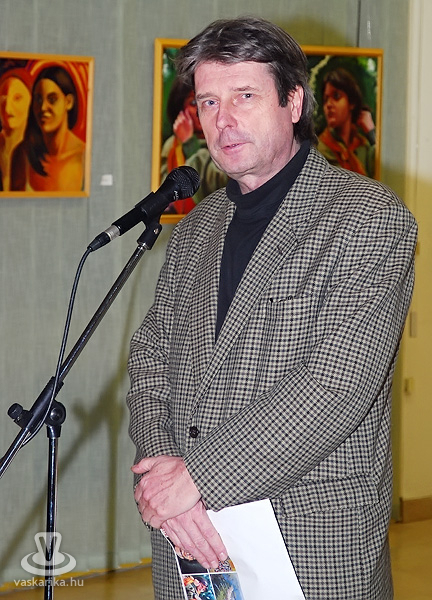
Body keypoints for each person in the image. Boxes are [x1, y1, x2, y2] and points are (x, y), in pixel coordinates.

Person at [127, 16, 417, 600]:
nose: (222, 120)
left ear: (293, 102)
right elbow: (150, 360)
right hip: (191, 538)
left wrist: (197, 478)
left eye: (244, 96)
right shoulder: (195, 229)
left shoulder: (367, 217)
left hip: (307, 541)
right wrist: (162, 471)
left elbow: (336, 387)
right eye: (208, 102)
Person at [11, 65, 85, 191]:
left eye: (52, 99)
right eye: (38, 99)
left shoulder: (84, 156)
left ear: (68, 102)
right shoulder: (23, 154)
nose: (43, 107)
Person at [161, 77, 227, 213]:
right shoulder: (172, 145)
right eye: (193, 103)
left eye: (209, 102)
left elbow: (217, 184)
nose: (200, 109)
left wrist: (190, 144)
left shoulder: (226, 139)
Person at [317, 67, 376, 177]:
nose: (328, 105)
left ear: (351, 102)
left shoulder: (363, 147)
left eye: (336, 96)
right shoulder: (320, 150)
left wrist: (371, 133)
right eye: (325, 100)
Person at [0, 68, 32, 191]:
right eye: (3, 99)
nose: (7, 108)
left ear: (31, 101)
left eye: (17, 98)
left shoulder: (39, 150)